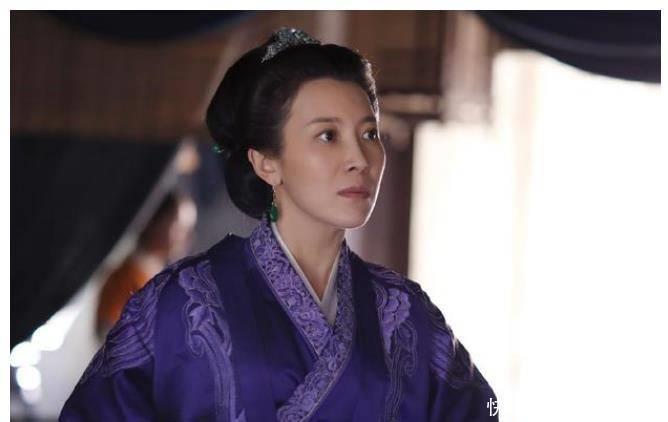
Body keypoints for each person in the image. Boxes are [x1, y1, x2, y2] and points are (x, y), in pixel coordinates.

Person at [60, 27, 498, 421]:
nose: (359, 159)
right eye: (328, 136)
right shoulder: (182, 303)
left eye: (369, 134)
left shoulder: (405, 313)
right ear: (266, 162)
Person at [95, 191, 197, 338]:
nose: (185, 238)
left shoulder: (161, 279)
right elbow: (107, 333)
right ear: (155, 221)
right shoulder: (127, 276)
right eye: (179, 227)